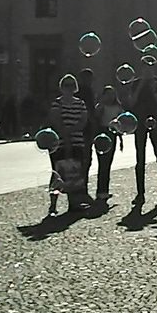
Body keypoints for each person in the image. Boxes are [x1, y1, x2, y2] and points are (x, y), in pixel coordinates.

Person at [46, 74, 91, 214]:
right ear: (62, 87)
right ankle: (53, 204)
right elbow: (54, 119)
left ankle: (74, 203)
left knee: (75, 173)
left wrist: (71, 131)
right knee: (58, 172)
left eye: (71, 85)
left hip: (77, 141)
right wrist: (65, 133)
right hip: (59, 143)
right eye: (66, 85)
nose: (69, 88)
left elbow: (84, 120)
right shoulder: (57, 103)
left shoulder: (80, 103)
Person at [126, 72, 157, 207]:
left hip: (155, 122)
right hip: (139, 123)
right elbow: (131, 102)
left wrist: (154, 91)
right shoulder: (136, 83)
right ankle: (140, 193)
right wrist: (141, 85)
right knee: (140, 159)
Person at [91, 85, 122, 202]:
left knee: (107, 163)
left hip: (112, 135)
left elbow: (121, 122)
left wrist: (120, 138)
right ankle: (100, 191)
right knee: (102, 163)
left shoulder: (118, 107)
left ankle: (105, 190)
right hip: (102, 133)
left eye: (112, 94)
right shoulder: (100, 106)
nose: (110, 96)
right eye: (108, 94)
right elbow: (96, 120)